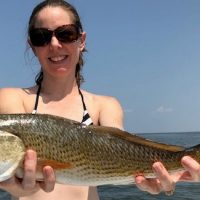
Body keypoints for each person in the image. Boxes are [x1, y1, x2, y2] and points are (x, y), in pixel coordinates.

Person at [0, 0, 199, 199]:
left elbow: (123, 152)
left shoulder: (105, 105)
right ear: (32, 46)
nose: (54, 44)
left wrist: (161, 180)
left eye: (66, 34)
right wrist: (12, 187)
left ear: (82, 40)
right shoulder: (11, 98)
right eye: (41, 37)